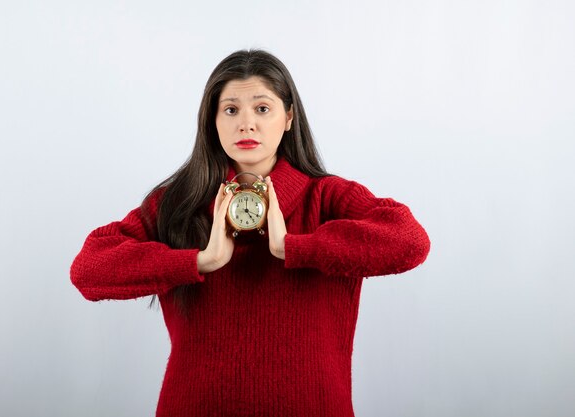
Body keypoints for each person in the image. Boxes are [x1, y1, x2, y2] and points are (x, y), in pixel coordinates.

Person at [70, 49, 430, 417]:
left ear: (288, 116)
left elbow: (410, 240)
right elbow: (88, 269)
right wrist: (199, 260)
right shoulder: (178, 203)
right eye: (230, 110)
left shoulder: (327, 197)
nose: (246, 124)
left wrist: (294, 247)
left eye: (262, 108)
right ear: (212, 120)